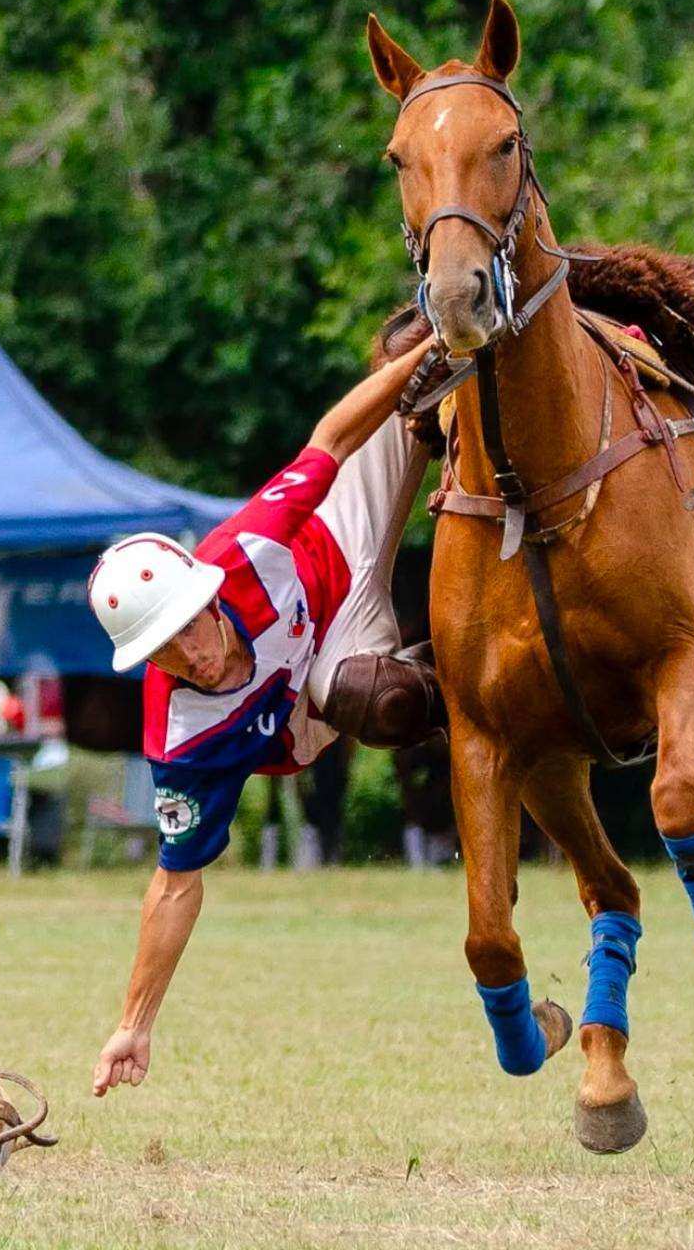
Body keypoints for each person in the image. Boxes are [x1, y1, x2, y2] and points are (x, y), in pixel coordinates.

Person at [88, 334, 442, 1096]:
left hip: (337, 554)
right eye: (165, 651)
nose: (193, 656)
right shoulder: (180, 739)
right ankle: (478, 692)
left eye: (190, 625)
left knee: (421, 374)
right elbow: (175, 882)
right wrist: (135, 1023)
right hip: (316, 697)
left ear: (210, 594)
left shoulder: (248, 544)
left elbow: (332, 438)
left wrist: (421, 360)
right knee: (368, 695)